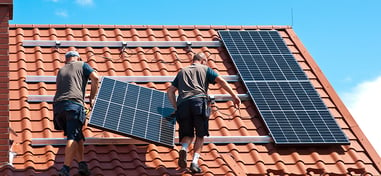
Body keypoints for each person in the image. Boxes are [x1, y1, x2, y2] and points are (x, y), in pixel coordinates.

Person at [167, 52, 241, 173]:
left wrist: (176, 107)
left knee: (188, 134)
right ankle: (194, 163)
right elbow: (221, 81)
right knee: (200, 134)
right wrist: (234, 96)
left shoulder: (182, 72)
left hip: (183, 104)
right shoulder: (205, 69)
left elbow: (170, 92)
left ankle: (184, 148)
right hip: (198, 102)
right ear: (202, 61)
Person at [53, 51, 99, 176]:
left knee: (77, 134)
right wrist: (92, 98)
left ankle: (82, 164)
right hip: (73, 106)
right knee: (72, 136)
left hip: (58, 108)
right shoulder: (82, 64)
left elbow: (70, 88)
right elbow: (96, 78)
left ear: (66, 60)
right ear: (78, 58)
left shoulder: (61, 70)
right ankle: (65, 169)